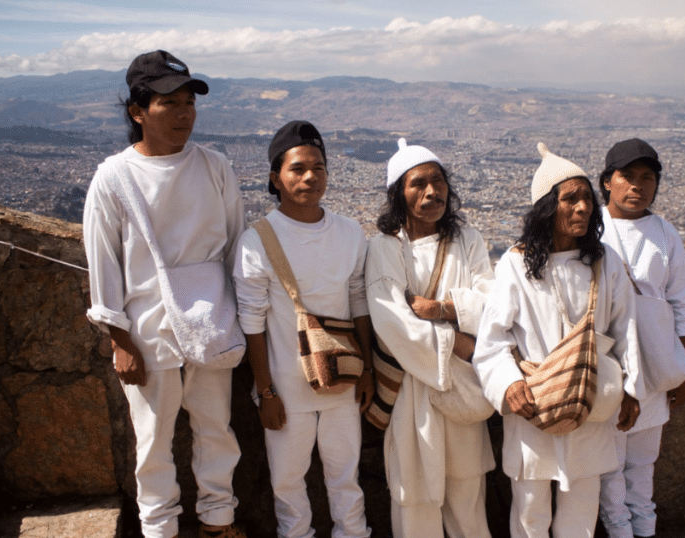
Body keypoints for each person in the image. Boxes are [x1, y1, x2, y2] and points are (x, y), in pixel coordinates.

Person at [83, 50, 246, 538]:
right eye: (168, 103)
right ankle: (160, 530)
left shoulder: (214, 167)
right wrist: (120, 340)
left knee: (216, 429)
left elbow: (238, 247)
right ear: (137, 111)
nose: (183, 113)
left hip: (212, 322)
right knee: (153, 442)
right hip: (149, 331)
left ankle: (219, 523)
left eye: (188, 102)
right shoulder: (114, 178)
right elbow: (104, 261)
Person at [473, 142, 643, 538]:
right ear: (548, 207)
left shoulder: (605, 262)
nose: (583, 207)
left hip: (590, 401)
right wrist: (507, 383)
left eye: (587, 198)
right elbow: (493, 339)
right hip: (535, 403)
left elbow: (625, 330)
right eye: (571, 199)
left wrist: (632, 389)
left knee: (581, 513)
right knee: (531, 512)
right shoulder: (516, 265)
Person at [234, 120, 374, 538]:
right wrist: (266, 392)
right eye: (297, 169)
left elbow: (359, 304)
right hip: (286, 392)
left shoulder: (350, 233)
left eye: (318, 167)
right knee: (288, 485)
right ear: (276, 178)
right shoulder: (257, 241)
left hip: (341, 381)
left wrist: (365, 369)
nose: (310, 176)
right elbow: (252, 324)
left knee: (345, 479)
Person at [365, 139, 496, 538]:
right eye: (417, 184)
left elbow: (491, 300)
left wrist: (441, 309)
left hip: (459, 388)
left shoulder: (467, 240)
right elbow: (393, 322)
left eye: (437, 181)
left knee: (468, 497)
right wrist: (456, 343)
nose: (431, 192)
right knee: (416, 499)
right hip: (413, 391)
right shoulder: (386, 248)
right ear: (398, 195)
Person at [596, 138, 685, 538]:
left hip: (655, 366)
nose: (637, 186)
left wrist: (680, 368)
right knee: (610, 465)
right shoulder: (592, 229)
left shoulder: (664, 233)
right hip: (610, 366)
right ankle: (621, 531)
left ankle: (644, 530)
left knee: (641, 466)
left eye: (647, 178)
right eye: (628, 177)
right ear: (608, 181)